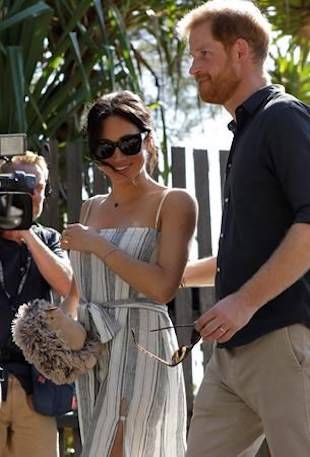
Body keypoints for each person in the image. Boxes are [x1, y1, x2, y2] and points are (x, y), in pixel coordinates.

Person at [177, 1, 310, 456]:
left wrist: (243, 303)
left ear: (239, 51)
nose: (193, 68)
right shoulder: (245, 132)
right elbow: (250, 251)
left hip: (283, 344)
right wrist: (171, 278)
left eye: (203, 54)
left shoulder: (282, 117)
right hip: (231, 357)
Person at [60, 90, 197, 457]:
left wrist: (96, 245)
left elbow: (163, 286)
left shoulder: (174, 202)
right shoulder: (91, 208)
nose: (118, 157)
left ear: (148, 140)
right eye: (106, 149)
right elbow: (80, 286)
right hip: (93, 347)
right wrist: (61, 326)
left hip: (142, 342)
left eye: (128, 143)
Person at [0, 152, 72, 457]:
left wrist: (27, 231)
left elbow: (67, 285)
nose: (30, 194)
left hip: (35, 384)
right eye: (20, 184)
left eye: (37, 186)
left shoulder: (48, 238)